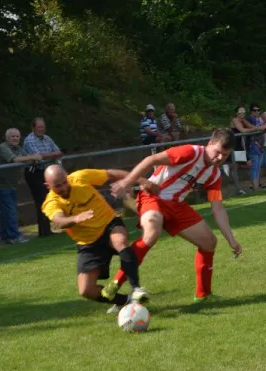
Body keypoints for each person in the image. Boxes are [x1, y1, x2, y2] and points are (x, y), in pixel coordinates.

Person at [107, 128, 243, 303]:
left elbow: (217, 208)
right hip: (153, 197)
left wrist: (231, 240)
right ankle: (116, 283)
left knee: (209, 242)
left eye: (224, 156)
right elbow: (151, 159)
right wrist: (127, 182)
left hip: (177, 205)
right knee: (152, 233)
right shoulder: (190, 152)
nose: (219, 158)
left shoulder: (215, 175)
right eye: (217, 152)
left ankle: (203, 296)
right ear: (209, 143)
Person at [41, 165, 157, 311]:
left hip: (109, 224)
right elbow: (58, 220)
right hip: (88, 243)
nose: (64, 187)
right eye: (58, 186)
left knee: (120, 242)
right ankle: (125, 301)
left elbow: (111, 173)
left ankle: (136, 289)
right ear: (48, 185)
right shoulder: (50, 202)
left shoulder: (80, 177)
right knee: (86, 290)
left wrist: (140, 180)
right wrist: (76, 218)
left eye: (65, 182)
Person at [0, 128, 43, 244]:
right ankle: (14, 236)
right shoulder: (3, 147)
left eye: (17, 136)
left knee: (8, 211)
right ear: (7, 138)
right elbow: (15, 159)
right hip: (1, 185)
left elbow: (27, 159)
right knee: (10, 211)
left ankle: (6, 236)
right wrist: (33, 157)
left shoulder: (19, 148)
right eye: (12, 136)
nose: (15, 138)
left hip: (12, 184)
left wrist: (33, 159)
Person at [23, 117, 63, 238]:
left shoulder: (47, 138)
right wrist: (50, 155)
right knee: (41, 200)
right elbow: (39, 157)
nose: (41, 129)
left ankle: (48, 229)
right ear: (33, 128)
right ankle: (43, 231)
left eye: (43, 127)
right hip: (34, 172)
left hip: (46, 172)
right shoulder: (29, 140)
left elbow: (59, 152)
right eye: (39, 127)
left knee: (50, 198)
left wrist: (46, 156)